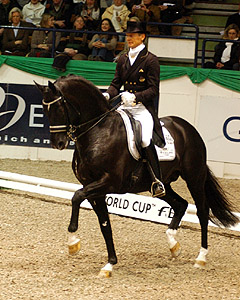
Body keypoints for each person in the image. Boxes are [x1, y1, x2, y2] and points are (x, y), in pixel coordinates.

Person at [103, 21, 166, 198]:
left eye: (132, 36)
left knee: (145, 139)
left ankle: (156, 180)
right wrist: (107, 95)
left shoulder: (151, 60)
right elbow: (116, 84)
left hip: (142, 108)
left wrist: (136, 97)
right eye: (127, 36)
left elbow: (154, 90)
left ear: (142, 37)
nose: (129, 39)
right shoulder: (123, 59)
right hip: (124, 106)